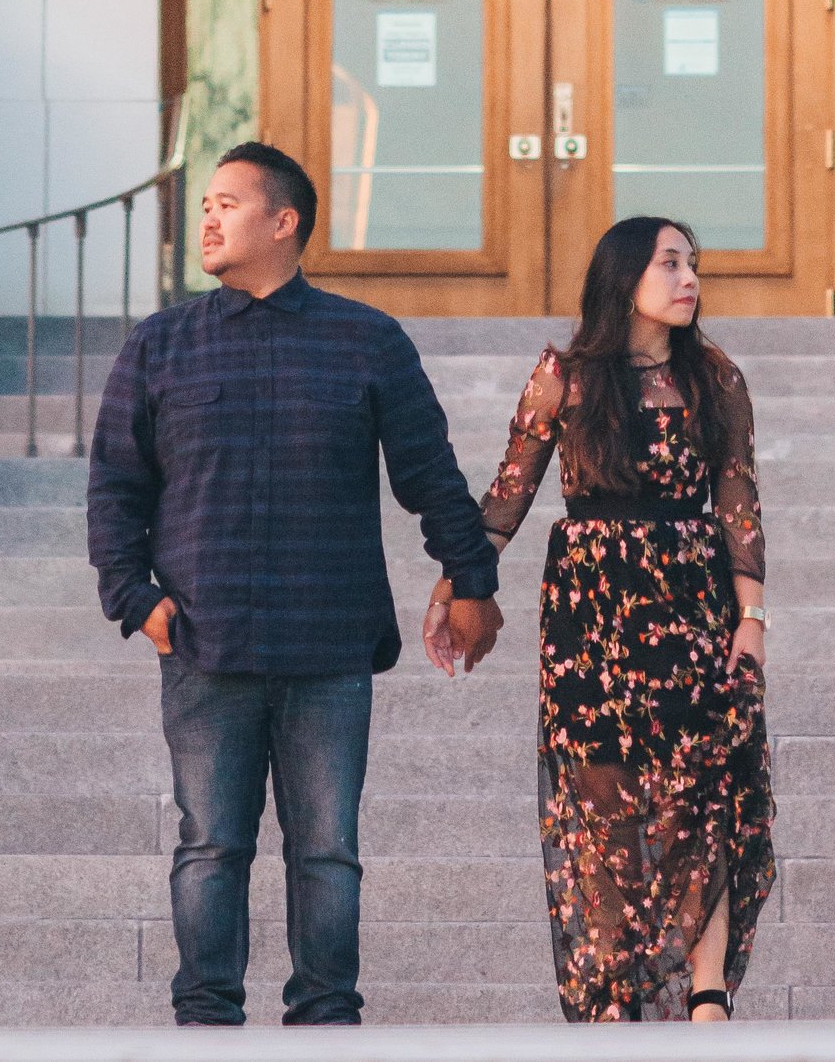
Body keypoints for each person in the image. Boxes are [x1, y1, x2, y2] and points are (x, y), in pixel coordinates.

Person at [88, 139, 506, 1026]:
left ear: (285, 224)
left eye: (228, 203)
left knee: (327, 853)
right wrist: (138, 602)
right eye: (204, 202)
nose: (208, 217)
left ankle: (327, 1026)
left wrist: (470, 579)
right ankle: (204, 1024)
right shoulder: (161, 345)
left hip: (328, 647)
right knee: (209, 848)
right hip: (204, 641)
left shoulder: (366, 340)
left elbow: (429, 474)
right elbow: (116, 489)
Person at [440, 214, 773, 1024]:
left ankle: (705, 992)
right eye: (670, 264)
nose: (689, 279)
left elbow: (738, 498)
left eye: (694, 265)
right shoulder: (566, 375)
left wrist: (753, 616)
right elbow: (509, 492)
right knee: (601, 800)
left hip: (691, 598)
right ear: (624, 277)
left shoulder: (715, 378)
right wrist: (461, 581)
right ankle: (617, 996)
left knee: (708, 785)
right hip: (591, 607)